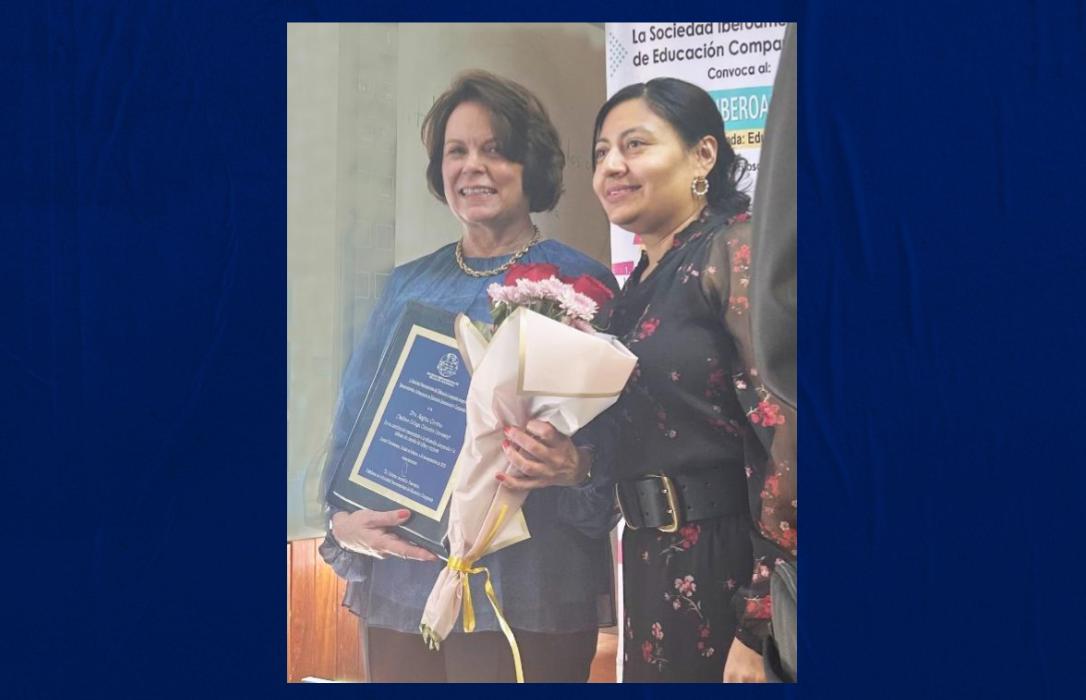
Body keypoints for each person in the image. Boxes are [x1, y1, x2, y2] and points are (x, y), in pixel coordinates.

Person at [319, 70, 619, 683]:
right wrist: (342, 520)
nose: (472, 167)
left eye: (495, 150)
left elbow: (621, 442)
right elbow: (356, 421)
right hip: (406, 582)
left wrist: (576, 467)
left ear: (529, 166)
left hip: (531, 584)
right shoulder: (407, 286)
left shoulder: (579, 285)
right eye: (456, 151)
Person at [586, 77, 797, 682]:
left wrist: (761, 617)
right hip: (651, 556)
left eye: (635, 145)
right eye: (601, 152)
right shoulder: (634, 287)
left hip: (732, 565)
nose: (613, 166)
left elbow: (789, 433)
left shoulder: (733, 250)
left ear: (703, 154)